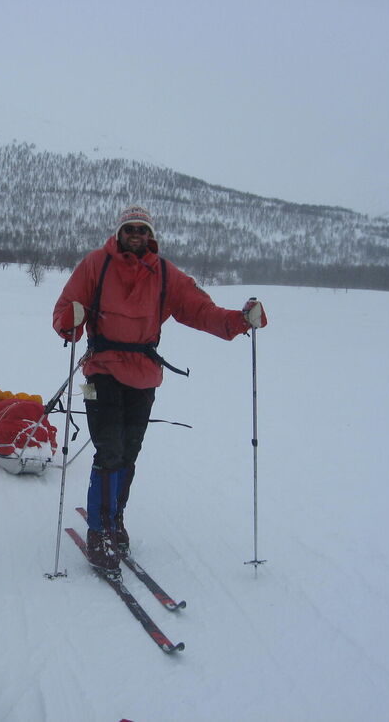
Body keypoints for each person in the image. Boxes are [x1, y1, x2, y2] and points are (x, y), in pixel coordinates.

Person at [52, 204, 268, 575]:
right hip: (101, 368)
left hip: (144, 375)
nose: (135, 234)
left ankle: (115, 518)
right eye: (129, 228)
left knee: (129, 452)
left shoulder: (165, 274)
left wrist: (240, 321)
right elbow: (66, 310)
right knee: (110, 449)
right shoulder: (95, 264)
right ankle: (99, 531)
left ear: (150, 235)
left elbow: (202, 310)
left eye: (142, 229)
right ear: (119, 232)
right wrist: (69, 323)